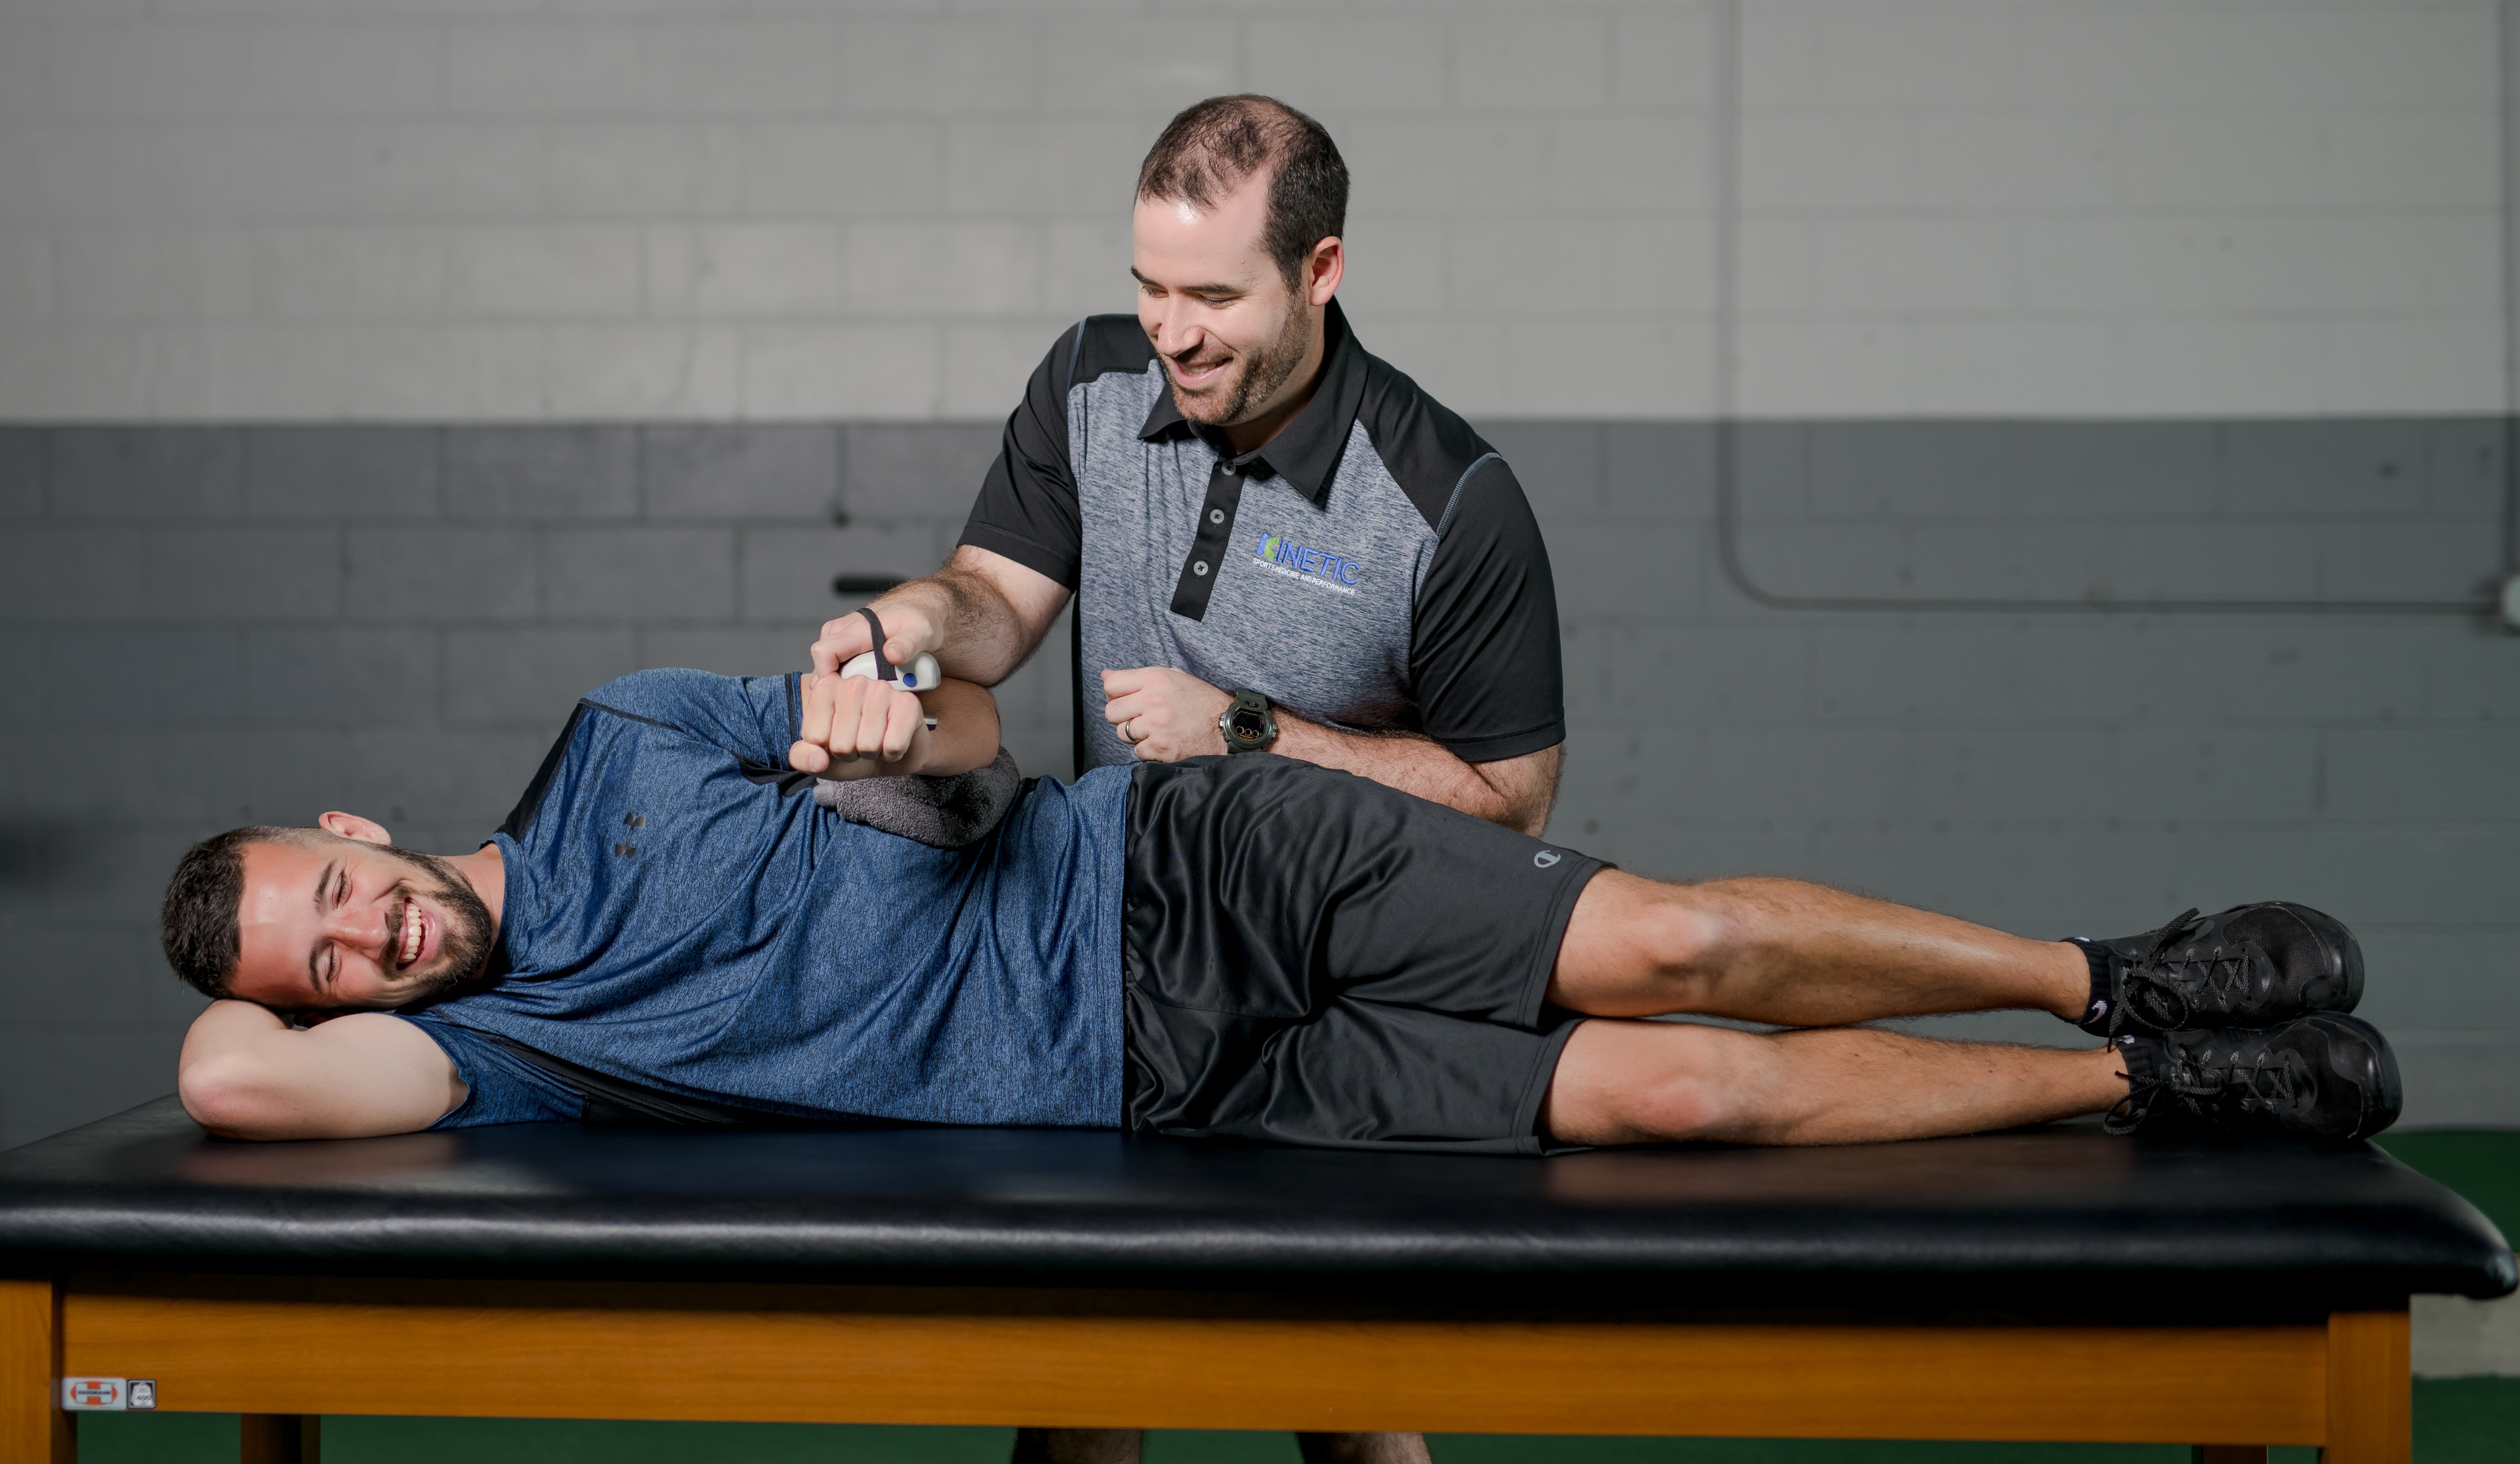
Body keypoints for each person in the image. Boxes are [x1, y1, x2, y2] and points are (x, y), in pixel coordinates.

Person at [165, 665, 2399, 1159]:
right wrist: (242, 983)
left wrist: (910, 708)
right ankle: (2160, 1072)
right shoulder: (522, 1041)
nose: (362, 936)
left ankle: (2109, 961)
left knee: (1683, 947)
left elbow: (927, 695)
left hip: (1186, 855)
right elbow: (229, 1076)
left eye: (333, 886)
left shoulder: (631, 735)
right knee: (1682, 1091)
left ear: (361, 815)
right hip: (1176, 1079)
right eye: (327, 950)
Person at [819, 94, 1566, 836]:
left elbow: (1512, 804)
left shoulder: (1449, 497)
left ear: (1320, 271)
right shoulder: (1088, 385)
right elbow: (1000, 599)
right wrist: (921, 617)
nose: (1171, 337)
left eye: (1214, 296)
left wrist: (1248, 731)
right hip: (1115, 928)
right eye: (1151, 288)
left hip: (1335, 947)